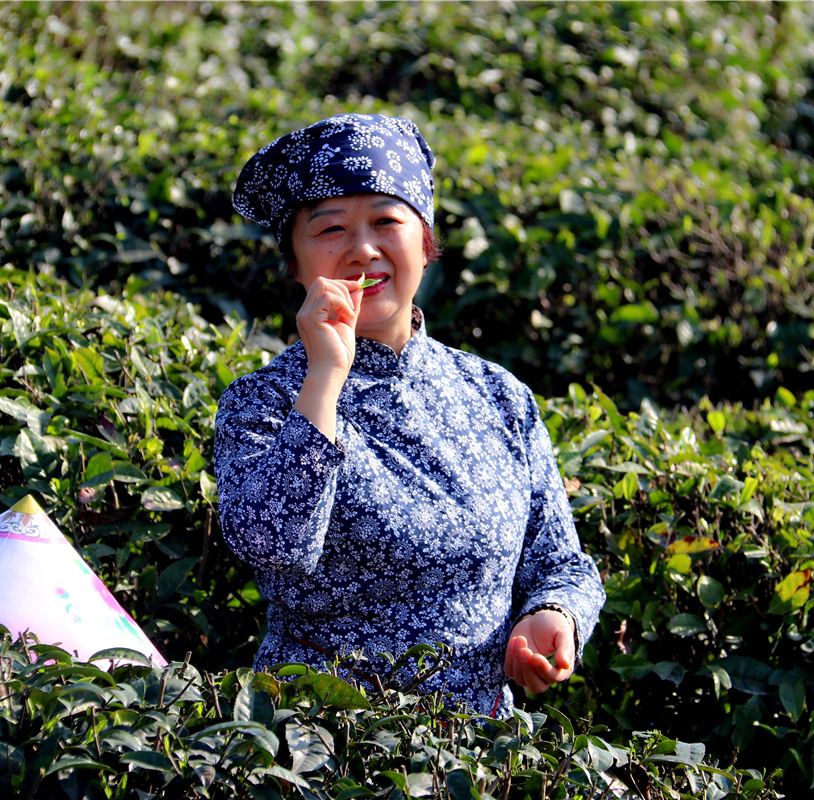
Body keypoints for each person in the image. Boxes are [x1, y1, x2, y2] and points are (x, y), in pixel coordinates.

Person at [215, 113, 604, 717]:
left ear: (425, 245)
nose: (362, 249)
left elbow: (560, 562)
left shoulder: (499, 395)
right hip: (323, 739)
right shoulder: (262, 400)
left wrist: (553, 615)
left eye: (387, 221)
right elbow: (273, 544)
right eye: (330, 229)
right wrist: (325, 377)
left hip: (478, 748)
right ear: (295, 263)